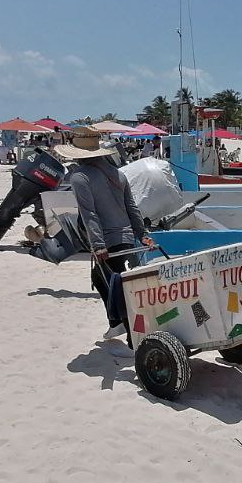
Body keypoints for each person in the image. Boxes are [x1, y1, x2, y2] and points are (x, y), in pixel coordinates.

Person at [56, 126, 153, 343]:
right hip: (127, 238)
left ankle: (131, 338)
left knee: (116, 287)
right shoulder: (118, 174)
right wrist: (142, 234)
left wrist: (99, 245)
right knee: (105, 280)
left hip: (108, 242)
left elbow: (89, 213)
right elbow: (132, 208)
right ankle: (116, 324)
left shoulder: (80, 177)